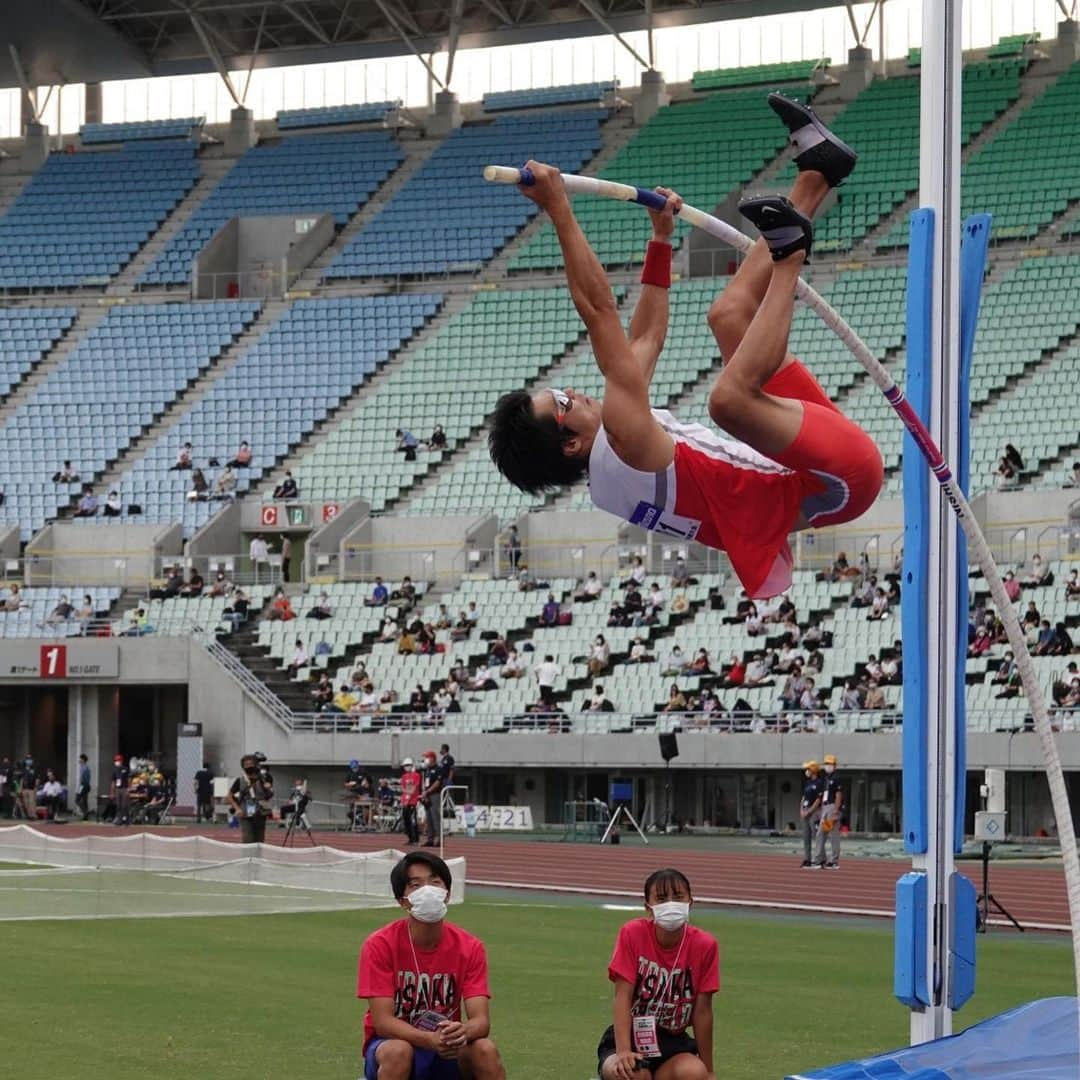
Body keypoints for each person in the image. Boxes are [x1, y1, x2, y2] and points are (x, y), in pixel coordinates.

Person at [488, 100, 880, 602]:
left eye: (559, 390)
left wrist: (661, 241)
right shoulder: (623, 442)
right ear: (569, 444)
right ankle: (790, 257)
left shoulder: (615, 469)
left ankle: (818, 172)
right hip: (837, 481)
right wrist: (558, 208)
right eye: (563, 404)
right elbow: (599, 310)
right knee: (728, 401)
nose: (573, 392)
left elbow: (645, 341)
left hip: (810, 465)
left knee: (728, 317)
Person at [357, 851, 505, 1080]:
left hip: (446, 1045)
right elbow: (382, 1022)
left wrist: (461, 1032)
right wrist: (428, 1040)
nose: (428, 891)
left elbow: (481, 1021)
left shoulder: (470, 947)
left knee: (484, 1050)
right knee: (399, 1051)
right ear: (401, 900)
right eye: (415, 885)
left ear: (446, 894)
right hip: (394, 1045)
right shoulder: (380, 944)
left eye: (435, 882)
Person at [596, 867, 718, 1080]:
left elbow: (702, 1012)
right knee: (633, 1073)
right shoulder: (632, 934)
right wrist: (623, 1051)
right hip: (629, 1036)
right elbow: (622, 997)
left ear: (690, 902)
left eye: (678, 897)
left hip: (673, 1041)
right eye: (661, 899)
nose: (670, 904)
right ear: (648, 907)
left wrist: (708, 1070)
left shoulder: (705, 945)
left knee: (695, 1073)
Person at [227, 753, 274, 844]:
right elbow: (229, 795)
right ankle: (248, 857)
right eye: (246, 765)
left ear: (256, 764)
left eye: (250, 764)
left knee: (260, 840)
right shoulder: (240, 781)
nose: (249, 767)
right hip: (245, 813)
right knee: (248, 839)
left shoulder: (265, 778)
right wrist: (237, 808)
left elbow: (270, 794)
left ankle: (258, 858)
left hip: (261, 812)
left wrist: (267, 788)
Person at [813, 754, 843, 869]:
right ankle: (820, 859)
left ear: (834, 766)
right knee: (821, 833)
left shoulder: (836, 778)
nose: (827, 766)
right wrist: (822, 809)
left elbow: (838, 795)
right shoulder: (826, 779)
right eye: (826, 764)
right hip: (826, 808)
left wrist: (836, 810)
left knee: (833, 834)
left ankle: (834, 860)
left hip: (831, 807)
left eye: (830, 764)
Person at [798, 761, 823, 868]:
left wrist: (809, 811)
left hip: (814, 812)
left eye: (808, 769)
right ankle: (807, 859)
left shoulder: (819, 783)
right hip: (805, 811)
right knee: (806, 837)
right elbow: (803, 798)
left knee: (817, 837)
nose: (806, 771)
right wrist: (801, 810)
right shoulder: (808, 783)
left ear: (813, 770)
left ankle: (820, 859)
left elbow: (818, 799)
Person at [421, 751, 445, 848]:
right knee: (429, 817)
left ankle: (438, 838)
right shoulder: (427, 770)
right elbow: (425, 782)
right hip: (427, 795)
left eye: (427, 757)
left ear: (432, 758)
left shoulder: (438, 769)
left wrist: (428, 791)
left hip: (435, 794)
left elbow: (437, 783)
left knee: (435, 817)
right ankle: (430, 838)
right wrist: (424, 793)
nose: (425, 759)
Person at [400, 758, 422, 846]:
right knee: (406, 820)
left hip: (413, 801)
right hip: (405, 801)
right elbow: (403, 788)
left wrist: (408, 791)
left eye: (408, 765)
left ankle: (415, 839)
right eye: (405, 766)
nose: (406, 767)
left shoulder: (416, 775)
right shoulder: (404, 776)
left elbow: (414, 788)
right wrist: (404, 798)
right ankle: (410, 838)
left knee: (413, 821)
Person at [75, 753, 91, 820]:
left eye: (80, 758)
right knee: (84, 800)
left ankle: (85, 812)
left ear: (83, 760)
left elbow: (85, 778)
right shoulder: (83, 767)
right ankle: (85, 815)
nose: (79, 760)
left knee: (77, 799)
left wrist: (82, 786)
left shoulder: (85, 768)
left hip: (84, 785)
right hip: (85, 785)